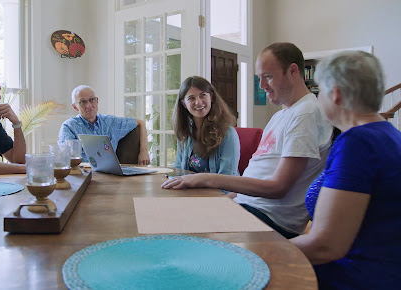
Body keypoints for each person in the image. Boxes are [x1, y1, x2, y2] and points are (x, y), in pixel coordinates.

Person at [162, 42, 334, 239]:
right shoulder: (282, 115)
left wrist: (206, 178)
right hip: (246, 206)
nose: (261, 86)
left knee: (174, 229)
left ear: (293, 71)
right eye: (259, 78)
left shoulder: (306, 113)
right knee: (165, 215)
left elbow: (279, 188)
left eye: (268, 77)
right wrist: (225, 200)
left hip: (269, 219)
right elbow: (259, 175)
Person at [290, 51, 401, 289]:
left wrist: (259, 251)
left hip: (355, 279)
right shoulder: (390, 136)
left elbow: (326, 245)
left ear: (336, 94)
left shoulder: (358, 143)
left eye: (319, 91)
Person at [58, 85, 150, 165]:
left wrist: (144, 151)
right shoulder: (69, 127)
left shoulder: (111, 122)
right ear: (75, 107)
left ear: (97, 101)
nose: (89, 105)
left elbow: (140, 123)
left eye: (92, 100)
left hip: (110, 174)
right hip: (82, 174)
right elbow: (65, 158)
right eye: (83, 102)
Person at [173, 76, 240, 176]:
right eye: (191, 98)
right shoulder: (185, 134)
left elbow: (227, 180)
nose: (198, 102)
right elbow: (179, 172)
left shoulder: (228, 134)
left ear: (211, 97)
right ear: (184, 104)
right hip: (188, 191)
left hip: (219, 191)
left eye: (202, 95)